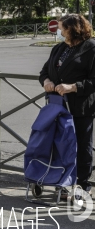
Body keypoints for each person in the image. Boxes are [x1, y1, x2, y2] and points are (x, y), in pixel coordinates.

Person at [39, 14, 95, 199]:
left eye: (63, 28)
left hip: (81, 106)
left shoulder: (91, 48)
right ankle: (63, 182)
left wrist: (73, 87)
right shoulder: (59, 48)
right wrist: (46, 80)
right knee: (60, 145)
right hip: (58, 106)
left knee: (82, 144)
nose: (60, 31)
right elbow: (44, 71)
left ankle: (82, 185)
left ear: (74, 29)